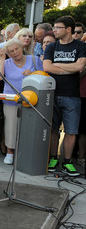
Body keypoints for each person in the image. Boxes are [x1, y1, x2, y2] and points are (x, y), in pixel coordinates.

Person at [43, 16, 86, 177]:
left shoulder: (80, 46)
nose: (54, 30)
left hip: (72, 95)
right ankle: (53, 158)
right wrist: (70, 68)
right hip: (52, 94)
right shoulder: (51, 47)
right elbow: (47, 67)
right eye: (54, 27)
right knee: (53, 129)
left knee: (71, 131)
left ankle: (67, 161)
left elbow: (80, 66)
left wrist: (57, 66)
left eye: (58, 27)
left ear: (68, 29)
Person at [0, 39, 43, 165]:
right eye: (11, 51)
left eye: (16, 49)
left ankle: (26, 152)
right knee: (11, 126)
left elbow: (42, 76)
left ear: (21, 48)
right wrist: (2, 58)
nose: (14, 53)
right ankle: (10, 152)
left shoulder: (34, 60)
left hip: (31, 100)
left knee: (28, 127)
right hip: (11, 100)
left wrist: (33, 73)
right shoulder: (6, 62)